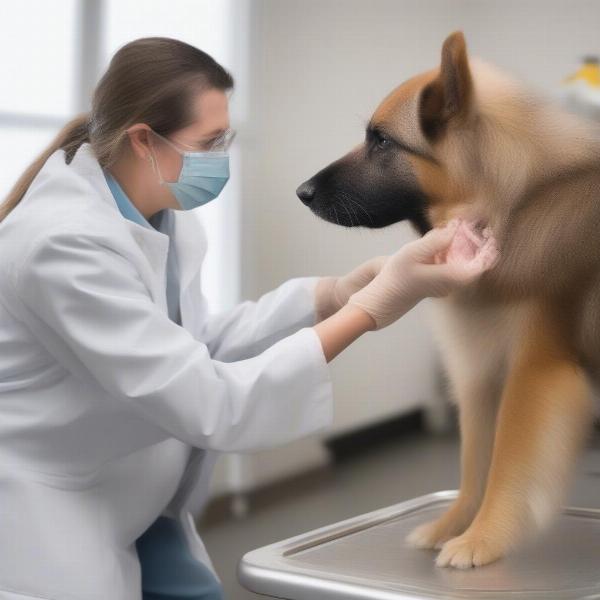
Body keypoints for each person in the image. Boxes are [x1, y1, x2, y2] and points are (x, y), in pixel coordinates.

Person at [0, 37, 498, 600]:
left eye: (225, 139)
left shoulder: (163, 215)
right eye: (209, 143)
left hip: (138, 500)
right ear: (143, 139)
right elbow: (211, 400)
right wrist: (371, 309)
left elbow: (197, 344)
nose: (219, 160)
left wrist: (336, 293)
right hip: (49, 511)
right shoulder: (62, 243)